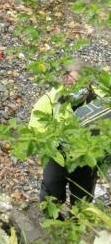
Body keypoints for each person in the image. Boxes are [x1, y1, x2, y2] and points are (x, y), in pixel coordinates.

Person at [29, 61, 98, 209]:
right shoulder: (49, 100)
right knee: (50, 194)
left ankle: (78, 223)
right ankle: (55, 224)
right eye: (70, 80)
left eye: (79, 82)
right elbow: (35, 129)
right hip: (57, 156)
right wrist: (57, 141)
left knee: (83, 199)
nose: (72, 85)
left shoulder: (96, 101)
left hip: (85, 157)